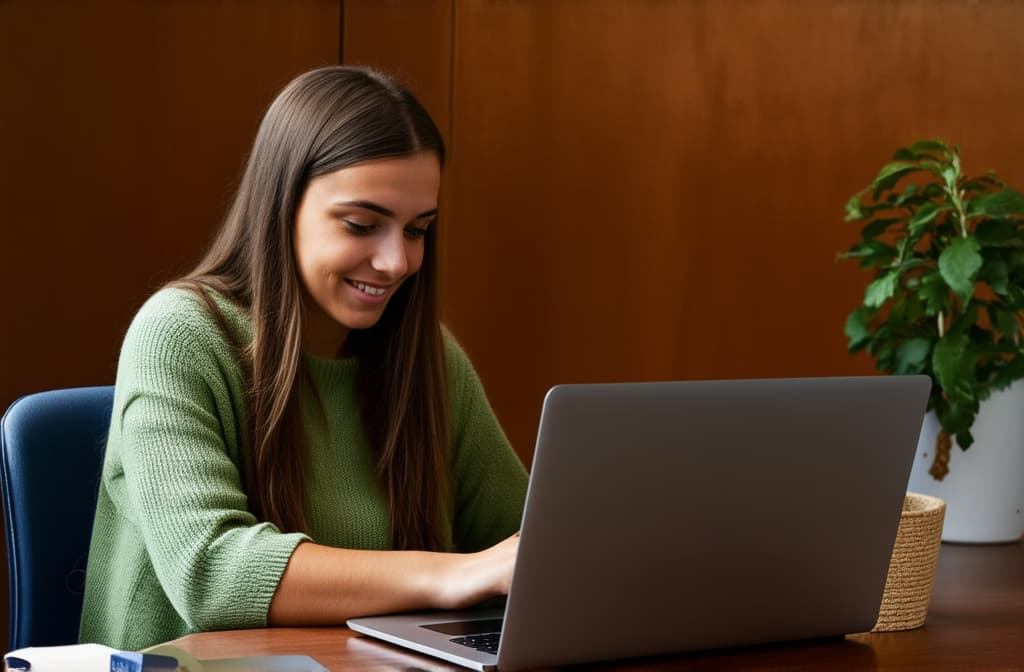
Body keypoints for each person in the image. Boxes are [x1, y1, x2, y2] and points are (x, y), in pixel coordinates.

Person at [80, 66, 529, 651]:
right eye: (362, 225)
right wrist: (458, 574)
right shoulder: (180, 337)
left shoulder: (431, 359)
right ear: (282, 204)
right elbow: (211, 572)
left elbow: (525, 544)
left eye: (418, 231)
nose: (395, 262)